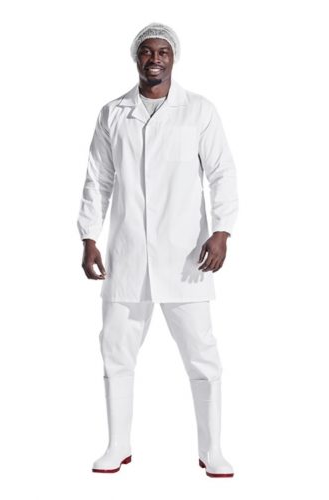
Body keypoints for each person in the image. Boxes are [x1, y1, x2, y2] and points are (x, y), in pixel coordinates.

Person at [77, 22, 239, 478]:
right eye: (147, 51)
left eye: (162, 52)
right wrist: (89, 236)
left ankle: (212, 450)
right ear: (136, 58)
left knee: (202, 355)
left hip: (187, 256)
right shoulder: (113, 113)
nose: (154, 59)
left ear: (173, 58)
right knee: (116, 351)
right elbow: (98, 178)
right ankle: (117, 445)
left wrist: (222, 230)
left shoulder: (199, 111)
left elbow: (222, 173)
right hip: (127, 255)